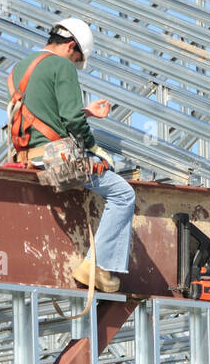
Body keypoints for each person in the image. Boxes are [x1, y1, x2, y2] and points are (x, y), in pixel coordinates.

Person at [7, 17, 134, 292]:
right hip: (55, 159)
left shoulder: (21, 67)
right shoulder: (61, 65)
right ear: (71, 46)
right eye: (77, 58)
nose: (75, 64)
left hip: (29, 156)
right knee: (124, 195)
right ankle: (96, 267)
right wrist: (93, 147)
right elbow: (72, 122)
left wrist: (86, 112)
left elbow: (45, 111)